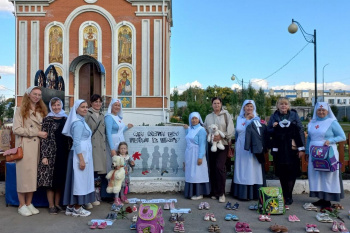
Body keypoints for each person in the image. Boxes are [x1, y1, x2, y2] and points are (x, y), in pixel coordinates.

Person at [13, 86, 48, 216]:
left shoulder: (41, 110)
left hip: (37, 147)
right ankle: (21, 205)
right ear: (28, 95)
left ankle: (29, 203)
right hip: (25, 147)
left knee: (32, 177)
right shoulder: (20, 110)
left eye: (39, 95)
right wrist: (36, 132)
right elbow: (16, 129)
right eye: (35, 94)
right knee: (23, 176)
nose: (37, 97)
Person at [306, 102, 346, 208]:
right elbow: (309, 138)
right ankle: (321, 198)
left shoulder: (332, 122)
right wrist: (307, 152)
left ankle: (328, 200)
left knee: (328, 175)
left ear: (327, 111)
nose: (321, 112)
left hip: (328, 153)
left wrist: (331, 140)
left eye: (323, 110)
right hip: (314, 153)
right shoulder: (312, 123)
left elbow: (342, 136)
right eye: (319, 110)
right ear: (316, 111)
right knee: (317, 175)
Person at [267, 97, 305, 206]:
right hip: (279, 149)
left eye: (285, 104)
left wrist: (301, 147)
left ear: (288, 106)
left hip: (292, 148)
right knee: (282, 172)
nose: (283, 106)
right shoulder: (274, 116)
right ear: (277, 106)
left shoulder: (294, 115)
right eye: (281, 104)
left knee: (291, 172)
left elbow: (300, 130)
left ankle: (289, 195)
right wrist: (274, 127)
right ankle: (284, 194)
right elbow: (268, 130)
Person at [37, 97, 72, 215]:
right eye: (54, 105)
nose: (56, 107)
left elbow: (70, 137)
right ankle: (51, 205)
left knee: (60, 180)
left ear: (61, 105)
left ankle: (57, 204)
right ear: (51, 107)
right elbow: (44, 139)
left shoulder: (66, 119)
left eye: (58, 105)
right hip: (51, 153)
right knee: (50, 181)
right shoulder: (47, 119)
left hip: (64, 153)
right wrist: (44, 155)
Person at [62, 100, 95, 217]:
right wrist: (81, 159)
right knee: (79, 181)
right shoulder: (78, 123)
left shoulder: (81, 121)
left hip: (83, 152)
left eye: (86, 107)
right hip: (79, 154)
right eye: (82, 107)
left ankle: (70, 207)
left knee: (78, 180)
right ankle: (77, 207)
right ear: (76, 109)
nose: (85, 109)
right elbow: (76, 142)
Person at [231, 100, 267, 200]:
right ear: (243, 108)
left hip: (252, 146)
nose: (249, 108)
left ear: (254, 108)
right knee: (242, 167)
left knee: (252, 167)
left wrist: (249, 120)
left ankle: (254, 192)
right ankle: (242, 192)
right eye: (247, 106)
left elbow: (256, 132)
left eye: (251, 106)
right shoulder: (239, 118)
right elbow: (237, 133)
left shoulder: (257, 119)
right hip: (241, 146)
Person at [204, 97, 235, 203]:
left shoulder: (226, 115)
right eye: (214, 103)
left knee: (220, 167)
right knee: (212, 168)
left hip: (223, 145)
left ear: (221, 104)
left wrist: (221, 137)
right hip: (211, 145)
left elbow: (230, 130)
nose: (216, 105)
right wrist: (210, 136)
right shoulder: (208, 117)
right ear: (212, 105)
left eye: (218, 103)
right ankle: (214, 192)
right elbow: (205, 128)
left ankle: (221, 193)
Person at [85, 94, 110, 205]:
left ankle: (95, 196)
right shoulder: (87, 113)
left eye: (100, 102)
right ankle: (88, 199)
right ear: (91, 103)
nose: (98, 104)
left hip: (100, 147)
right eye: (95, 101)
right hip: (90, 146)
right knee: (89, 173)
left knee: (97, 174)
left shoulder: (102, 115)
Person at [183, 112, 210, 200]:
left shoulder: (201, 130)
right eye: (192, 118)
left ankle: (199, 193)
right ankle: (191, 192)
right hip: (189, 154)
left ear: (199, 119)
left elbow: (202, 144)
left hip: (197, 153)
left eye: (196, 118)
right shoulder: (190, 129)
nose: (194, 120)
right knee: (190, 173)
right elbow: (188, 138)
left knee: (198, 173)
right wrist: (186, 129)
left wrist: (200, 157)